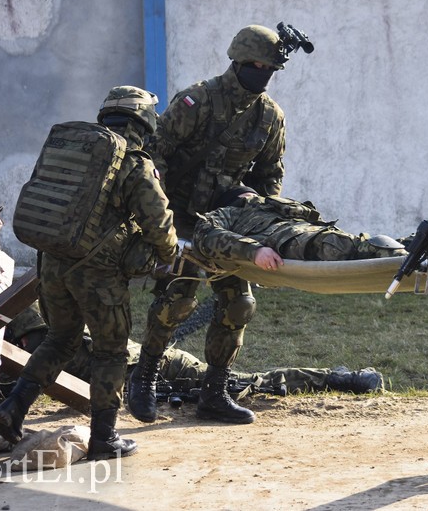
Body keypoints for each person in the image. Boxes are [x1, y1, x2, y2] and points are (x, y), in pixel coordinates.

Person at [130, 23, 312, 425]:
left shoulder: (270, 116)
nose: (262, 73)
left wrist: (259, 212)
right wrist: (159, 217)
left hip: (228, 226)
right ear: (239, 60)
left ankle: (214, 392)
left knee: (239, 304)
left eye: (270, 68)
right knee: (178, 301)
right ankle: (144, 379)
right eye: (256, 64)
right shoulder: (198, 100)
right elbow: (155, 155)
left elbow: (270, 177)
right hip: (181, 219)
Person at [0, 86, 178, 461]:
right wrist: (169, 255)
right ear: (142, 122)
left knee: (60, 340)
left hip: (51, 264)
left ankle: (13, 407)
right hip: (98, 275)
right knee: (111, 352)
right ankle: (105, 439)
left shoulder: (75, 153)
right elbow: (158, 224)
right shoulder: (133, 163)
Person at [2, 302, 385, 398]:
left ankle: (339, 380)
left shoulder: (43, 343)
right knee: (242, 384)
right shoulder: (32, 347)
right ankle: (340, 378)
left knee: (246, 385)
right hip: (148, 373)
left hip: (157, 369)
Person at [186, 187, 408, 272]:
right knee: (341, 246)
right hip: (291, 241)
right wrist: (254, 251)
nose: (254, 197)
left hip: (306, 232)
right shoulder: (231, 212)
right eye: (249, 196)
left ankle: (411, 248)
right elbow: (204, 234)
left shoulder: (271, 204)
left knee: (356, 244)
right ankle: (406, 255)